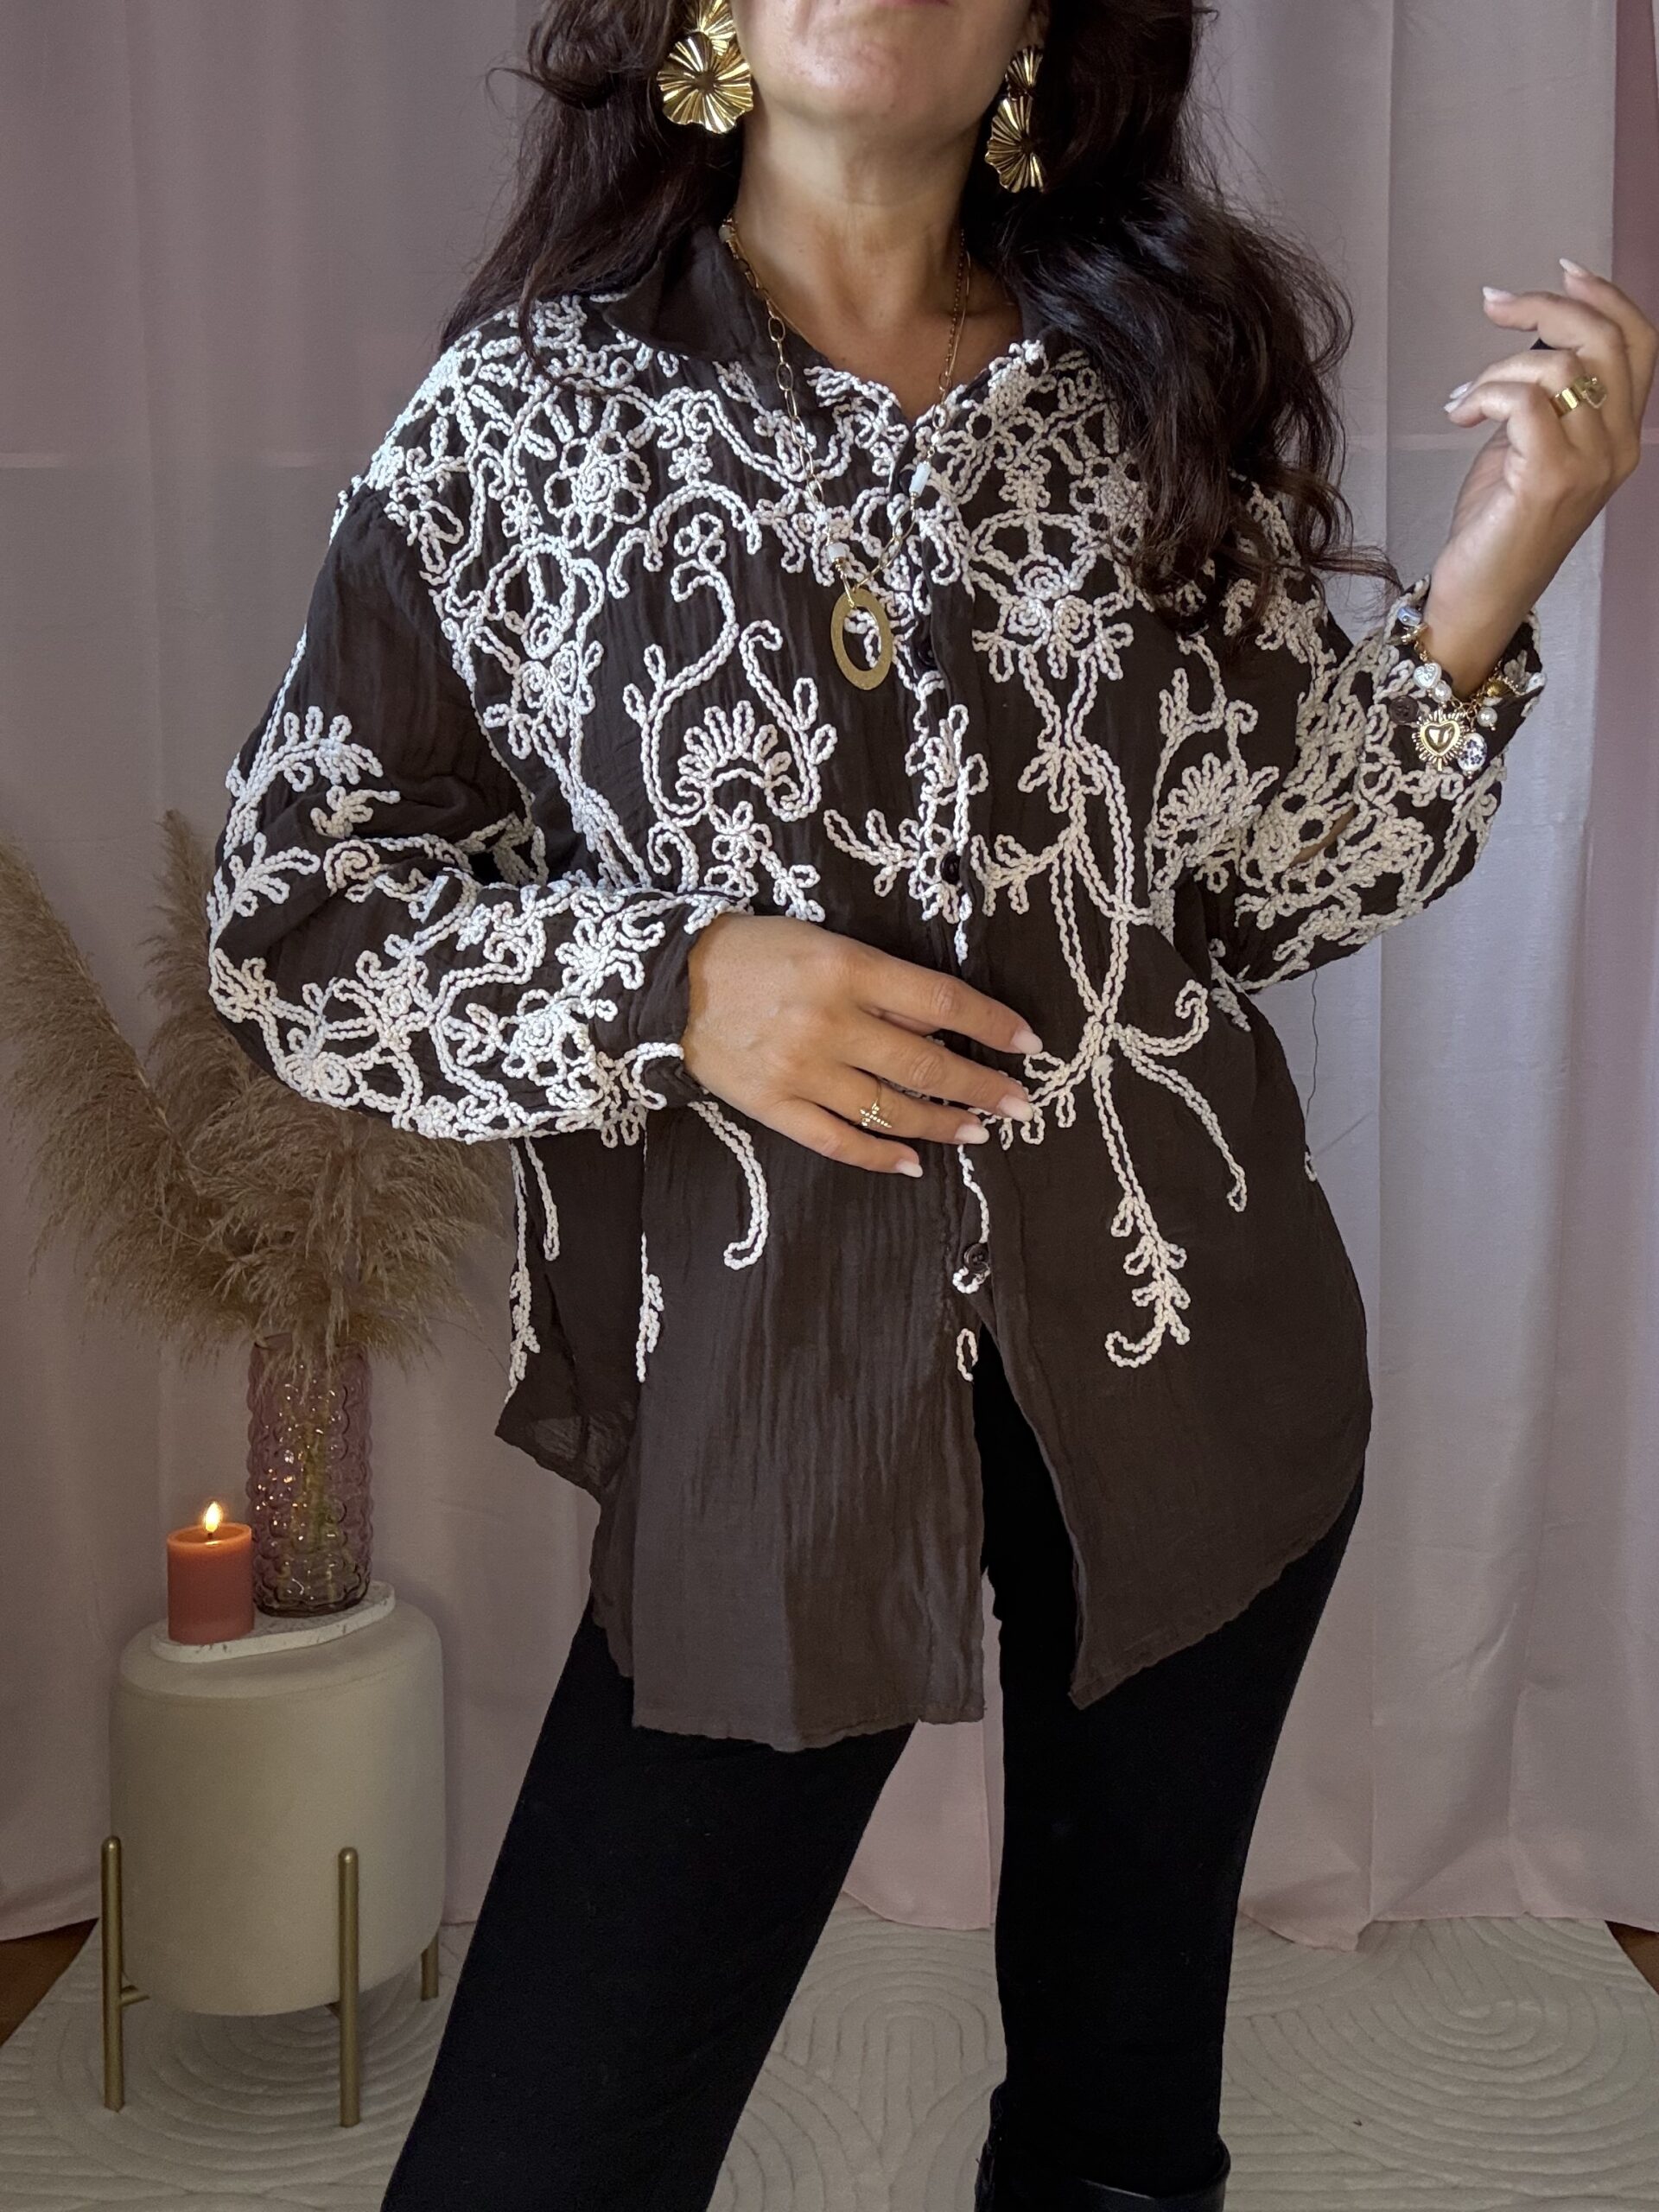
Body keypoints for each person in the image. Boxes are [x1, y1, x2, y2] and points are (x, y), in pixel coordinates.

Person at [203, 3, 1652, 2206]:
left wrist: (1501, 564)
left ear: (1039, 33)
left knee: (1117, 2128)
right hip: (771, 1423)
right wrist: (675, 984)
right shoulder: (520, 424)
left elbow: (1269, 887)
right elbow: (292, 930)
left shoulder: (1149, 388)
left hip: (1193, 1373)